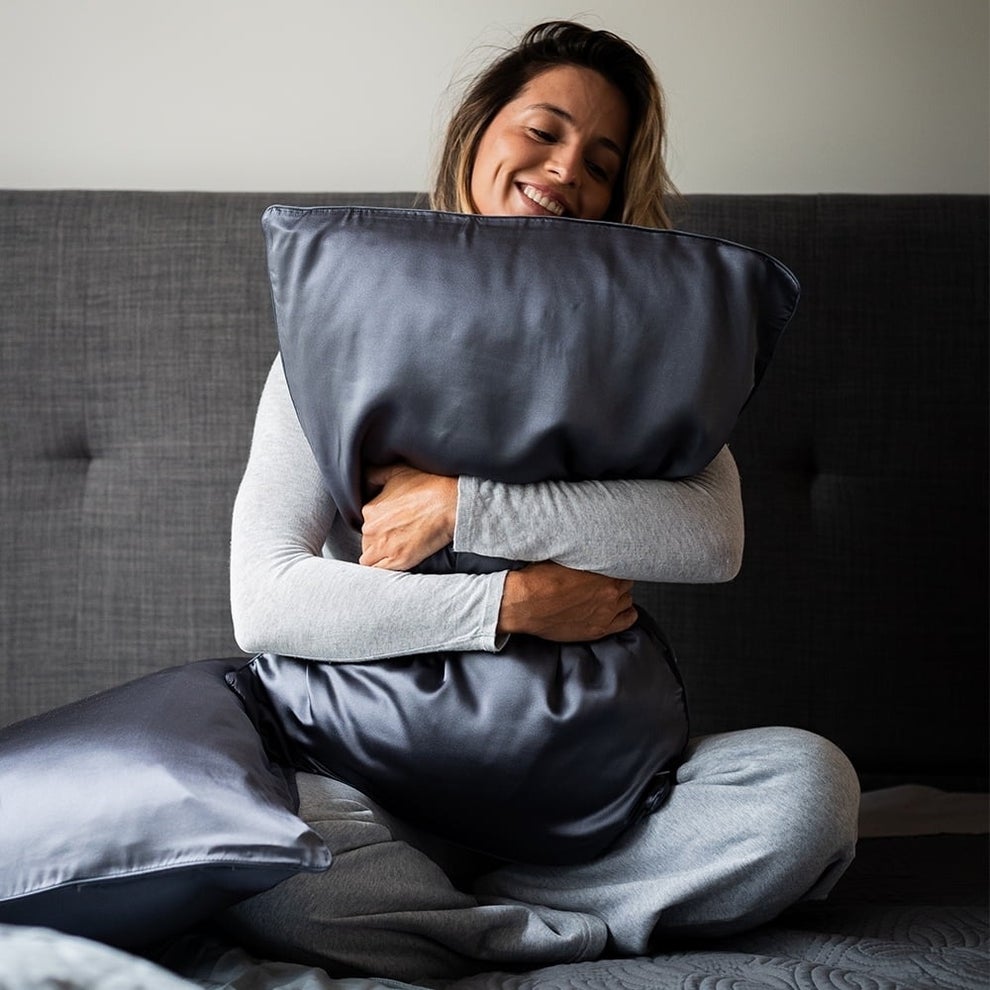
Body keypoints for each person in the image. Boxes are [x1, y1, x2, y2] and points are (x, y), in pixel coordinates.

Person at [225, 20, 859, 983]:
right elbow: (266, 601)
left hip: (591, 789)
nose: (565, 170)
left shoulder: (642, 351)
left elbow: (712, 538)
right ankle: (563, 923)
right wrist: (509, 604)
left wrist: (462, 507)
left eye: (600, 162)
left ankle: (468, 917)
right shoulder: (333, 340)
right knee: (263, 861)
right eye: (543, 130)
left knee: (810, 791)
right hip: (376, 775)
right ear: (477, 130)